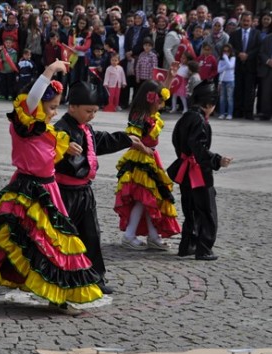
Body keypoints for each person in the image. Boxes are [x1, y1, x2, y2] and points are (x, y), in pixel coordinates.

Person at [0, 60, 103, 316]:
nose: (55, 113)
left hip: (48, 189)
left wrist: (66, 149)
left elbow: (46, 153)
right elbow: (33, 97)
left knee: (50, 242)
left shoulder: (45, 130)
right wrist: (51, 69)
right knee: (13, 239)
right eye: (52, 107)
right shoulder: (24, 124)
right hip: (26, 189)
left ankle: (56, 296)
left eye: (57, 107)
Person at [54, 81, 149, 294]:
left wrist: (126, 139)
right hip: (63, 194)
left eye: (95, 112)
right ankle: (53, 278)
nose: (92, 115)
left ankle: (95, 278)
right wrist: (61, 146)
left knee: (91, 235)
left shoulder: (85, 128)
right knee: (59, 237)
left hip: (84, 193)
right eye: (88, 111)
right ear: (72, 107)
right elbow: (45, 146)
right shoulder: (60, 129)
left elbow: (100, 141)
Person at [114, 80, 181, 251]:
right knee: (145, 199)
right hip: (140, 160)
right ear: (150, 99)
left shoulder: (149, 115)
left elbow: (162, 88)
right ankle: (130, 235)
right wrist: (144, 148)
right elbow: (131, 137)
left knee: (151, 199)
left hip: (151, 158)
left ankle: (152, 236)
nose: (162, 104)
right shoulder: (139, 116)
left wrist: (170, 76)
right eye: (159, 100)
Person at [169, 82, 233, 261]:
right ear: (208, 104)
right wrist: (217, 160)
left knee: (190, 209)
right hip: (197, 171)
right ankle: (204, 248)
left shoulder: (185, 117)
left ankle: (187, 244)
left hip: (185, 169)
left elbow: (176, 140)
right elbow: (198, 147)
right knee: (206, 210)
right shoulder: (199, 120)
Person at [217, 43, 236, 120]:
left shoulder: (233, 58)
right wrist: (226, 66)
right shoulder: (220, 59)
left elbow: (231, 66)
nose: (226, 52)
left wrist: (226, 58)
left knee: (229, 98)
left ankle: (229, 114)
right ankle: (222, 113)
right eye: (224, 51)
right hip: (222, 81)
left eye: (228, 51)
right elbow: (219, 70)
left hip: (230, 81)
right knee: (222, 98)